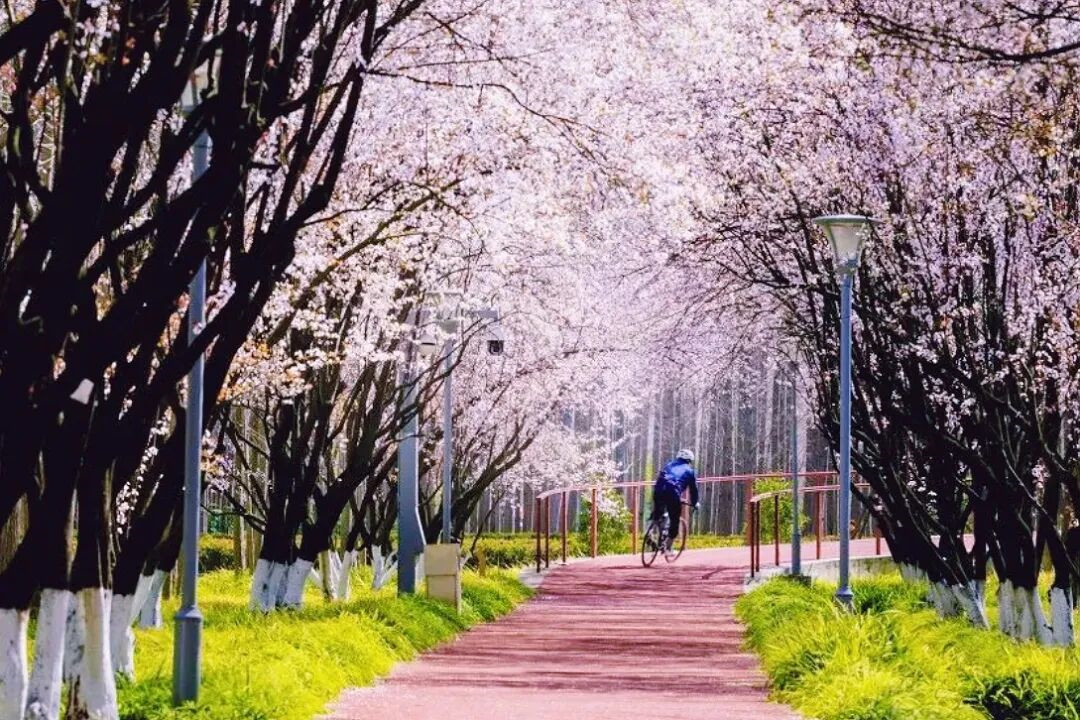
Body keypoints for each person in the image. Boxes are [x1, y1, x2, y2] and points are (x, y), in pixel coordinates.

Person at [652, 448, 700, 555]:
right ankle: (668, 548)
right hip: (673, 493)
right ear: (689, 461)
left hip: (658, 489)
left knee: (658, 512)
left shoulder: (669, 464)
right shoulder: (690, 471)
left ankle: (652, 531)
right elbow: (693, 490)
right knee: (675, 520)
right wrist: (695, 502)